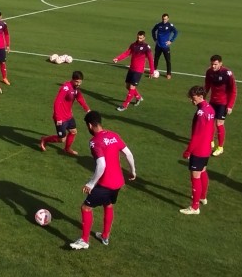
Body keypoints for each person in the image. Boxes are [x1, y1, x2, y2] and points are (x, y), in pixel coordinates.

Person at [69, 111, 136, 250]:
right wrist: (133, 171)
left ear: (89, 125)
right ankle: (105, 236)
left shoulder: (94, 142)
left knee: (86, 208)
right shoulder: (113, 135)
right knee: (108, 205)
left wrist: (91, 183)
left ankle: (84, 240)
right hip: (118, 182)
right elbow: (128, 154)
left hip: (105, 183)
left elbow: (101, 165)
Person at [179, 86, 215, 215]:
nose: (191, 100)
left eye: (193, 98)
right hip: (206, 148)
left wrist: (188, 151)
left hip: (199, 149)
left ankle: (195, 207)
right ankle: (202, 197)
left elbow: (196, 135)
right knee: (203, 171)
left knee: (195, 176)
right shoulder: (210, 109)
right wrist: (211, 141)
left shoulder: (201, 113)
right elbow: (212, 129)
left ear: (201, 97)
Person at [39, 71, 91, 156]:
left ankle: (67, 148)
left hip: (69, 116)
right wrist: (58, 118)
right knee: (61, 139)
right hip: (60, 118)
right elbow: (57, 102)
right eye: (77, 82)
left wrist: (87, 109)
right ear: (72, 79)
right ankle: (45, 139)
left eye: (80, 82)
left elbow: (80, 98)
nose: (78, 84)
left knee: (73, 132)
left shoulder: (76, 89)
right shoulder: (66, 88)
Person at [113, 30, 155, 112]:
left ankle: (125, 105)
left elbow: (150, 59)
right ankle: (138, 97)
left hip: (138, 70)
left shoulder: (146, 47)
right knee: (127, 86)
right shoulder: (133, 45)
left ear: (144, 38)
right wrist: (118, 58)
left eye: (141, 38)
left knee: (132, 87)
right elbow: (127, 53)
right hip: (131, 69)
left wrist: (152, 71)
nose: (139, 39)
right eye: (138, 37)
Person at [204, 54, 237, 156]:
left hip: (223, 103)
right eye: (212, 64)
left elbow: (233, 90)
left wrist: (230, 105)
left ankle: (220, 147)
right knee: (209, 122)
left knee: (219, 124)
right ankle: (211, 141)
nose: (213, 66)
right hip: (213, 102)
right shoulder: (209, 72)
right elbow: (207, 86)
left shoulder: (227, 74)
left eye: (215, 64)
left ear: (220, 64)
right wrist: (203, 99)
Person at [151, 13, 178, 79]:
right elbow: (153, 31)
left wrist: (171, 41)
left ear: (168, 19)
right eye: (163, 19)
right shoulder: (158, 25)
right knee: (156, 59)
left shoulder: (170, 26)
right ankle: (153, 71)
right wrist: (155, 39)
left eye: (165, 19)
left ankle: (168, 74)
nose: (164, 20)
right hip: (158, 46)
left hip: (165, 47)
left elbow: (176, 32)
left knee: (168, 60)